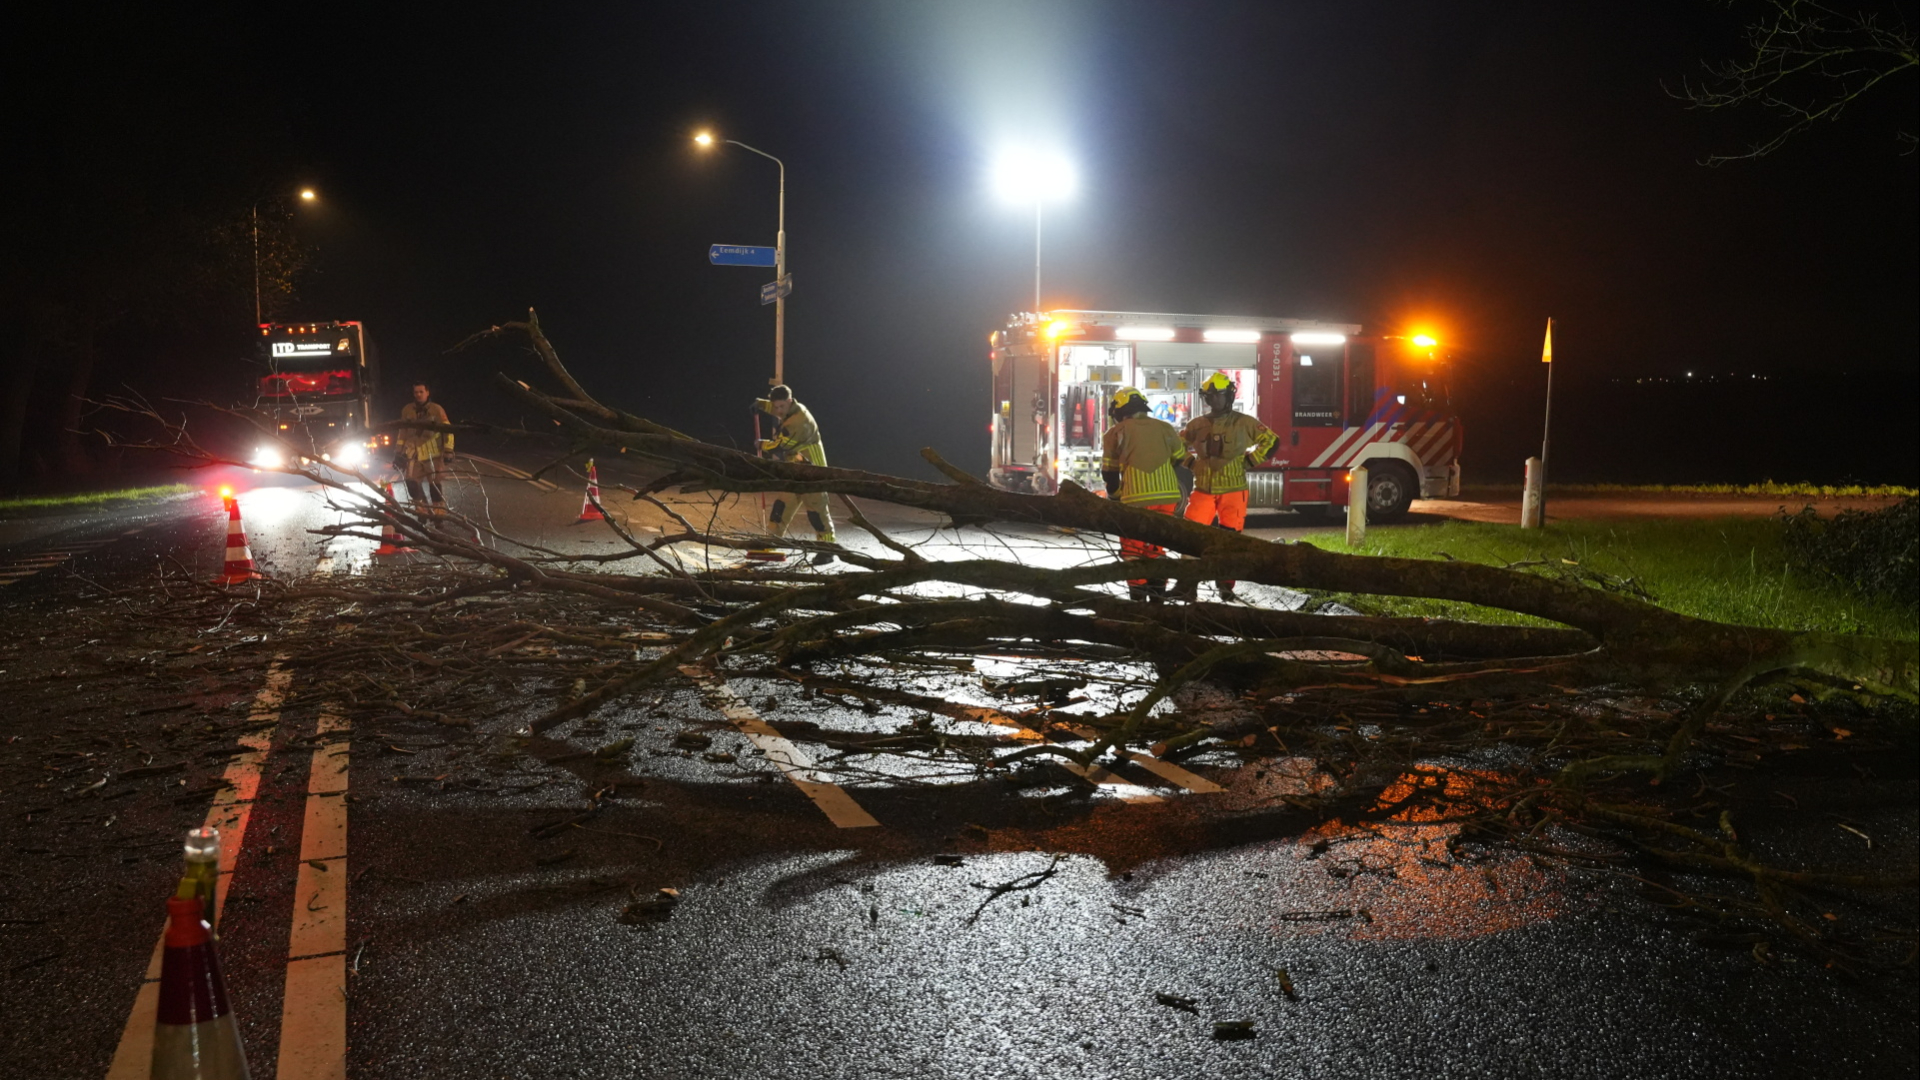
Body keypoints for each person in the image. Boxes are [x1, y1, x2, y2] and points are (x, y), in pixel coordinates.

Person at [1178, 371, 1277, 600]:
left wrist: (1250, 461)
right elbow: (1176, 445)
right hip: (1203, 490)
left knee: (1231, 539)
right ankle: (1188, 584)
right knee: (1189, 537)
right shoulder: (1197, 424)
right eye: (1208, 396)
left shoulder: (1244, 423)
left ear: (1227, 396)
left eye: (1216, 395)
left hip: (1234, 491)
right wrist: (1191, 463)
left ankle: (1225, 586)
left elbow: (1271, 441)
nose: (1212, 400)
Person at [1100, 386, 1188, 601]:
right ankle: (1158, 599)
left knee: (1133, 551)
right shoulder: (1165, 428)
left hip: (1135, 500)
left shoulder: (1115, 432)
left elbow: (1109, 472)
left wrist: (1114, 497)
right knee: (1156, 548)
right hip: (1168, 498)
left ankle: (1138, 600)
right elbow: (1180, 458)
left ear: (1119, 411)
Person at [751, 384, 836, 565]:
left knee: (817, 512)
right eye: (776, 406)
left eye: (782, 406)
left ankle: (827, 550)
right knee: (781, 507)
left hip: (813, 470)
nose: (778, 410)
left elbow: (781, 446)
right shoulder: (789, 410)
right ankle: (771, 543)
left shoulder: (799, 421)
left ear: (790, 402)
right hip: (794, 468)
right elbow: (775, 408)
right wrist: (760, 404)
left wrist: (762, 445)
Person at [398, 381, 453, 516]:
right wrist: (398, 453)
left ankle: (438, 514)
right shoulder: (407, 410)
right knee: (411, 483)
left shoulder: (437, 410)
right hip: (413, 455)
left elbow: (448, 430)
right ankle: (422, 510)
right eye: (416, 392)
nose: (418, 395)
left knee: (435, 486)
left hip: (432, 455)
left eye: (421, 392)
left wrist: (448, 450)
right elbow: (402, 432)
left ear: (427, 393)